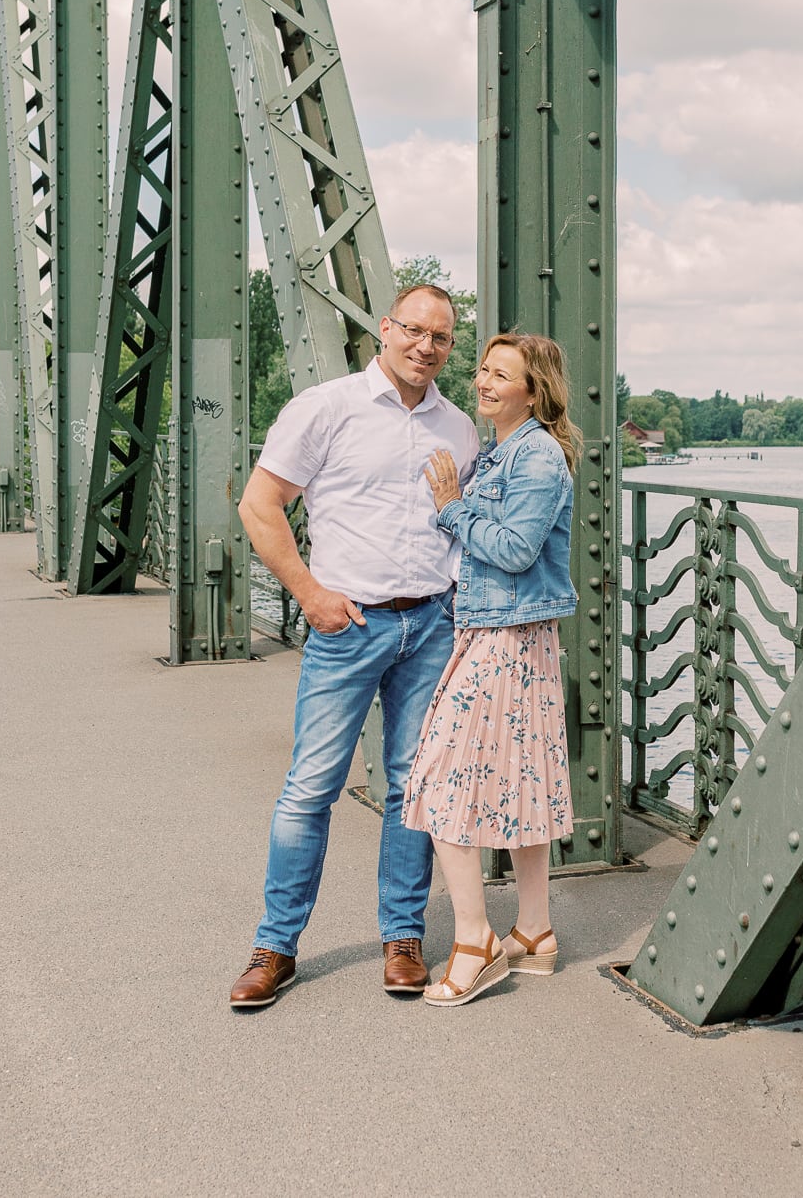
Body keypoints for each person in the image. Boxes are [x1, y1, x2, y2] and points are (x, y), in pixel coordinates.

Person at [229, 283, 479, 1009]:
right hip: (349, 625)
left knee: (410, 787)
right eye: (414, 330)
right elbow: (259, 503)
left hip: (431, 622)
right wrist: (310, 595)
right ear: (386, 328)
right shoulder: (326, 407)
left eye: (440, 337)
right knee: (311, 786)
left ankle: (402, 938)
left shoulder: (458, 428)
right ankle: (275, 947)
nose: (425, 346)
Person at [403, 331, 579, 1007]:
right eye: (481, 368)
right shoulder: (506, 449)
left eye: (500, 374)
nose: (482, 381)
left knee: (441, 776)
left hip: (507, 634)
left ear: (533, 391)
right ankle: (532, 932)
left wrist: (451, 508)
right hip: (504, 631)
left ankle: (474, 941)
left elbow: (511, 550)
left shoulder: (535, 456)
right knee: (524, 776)